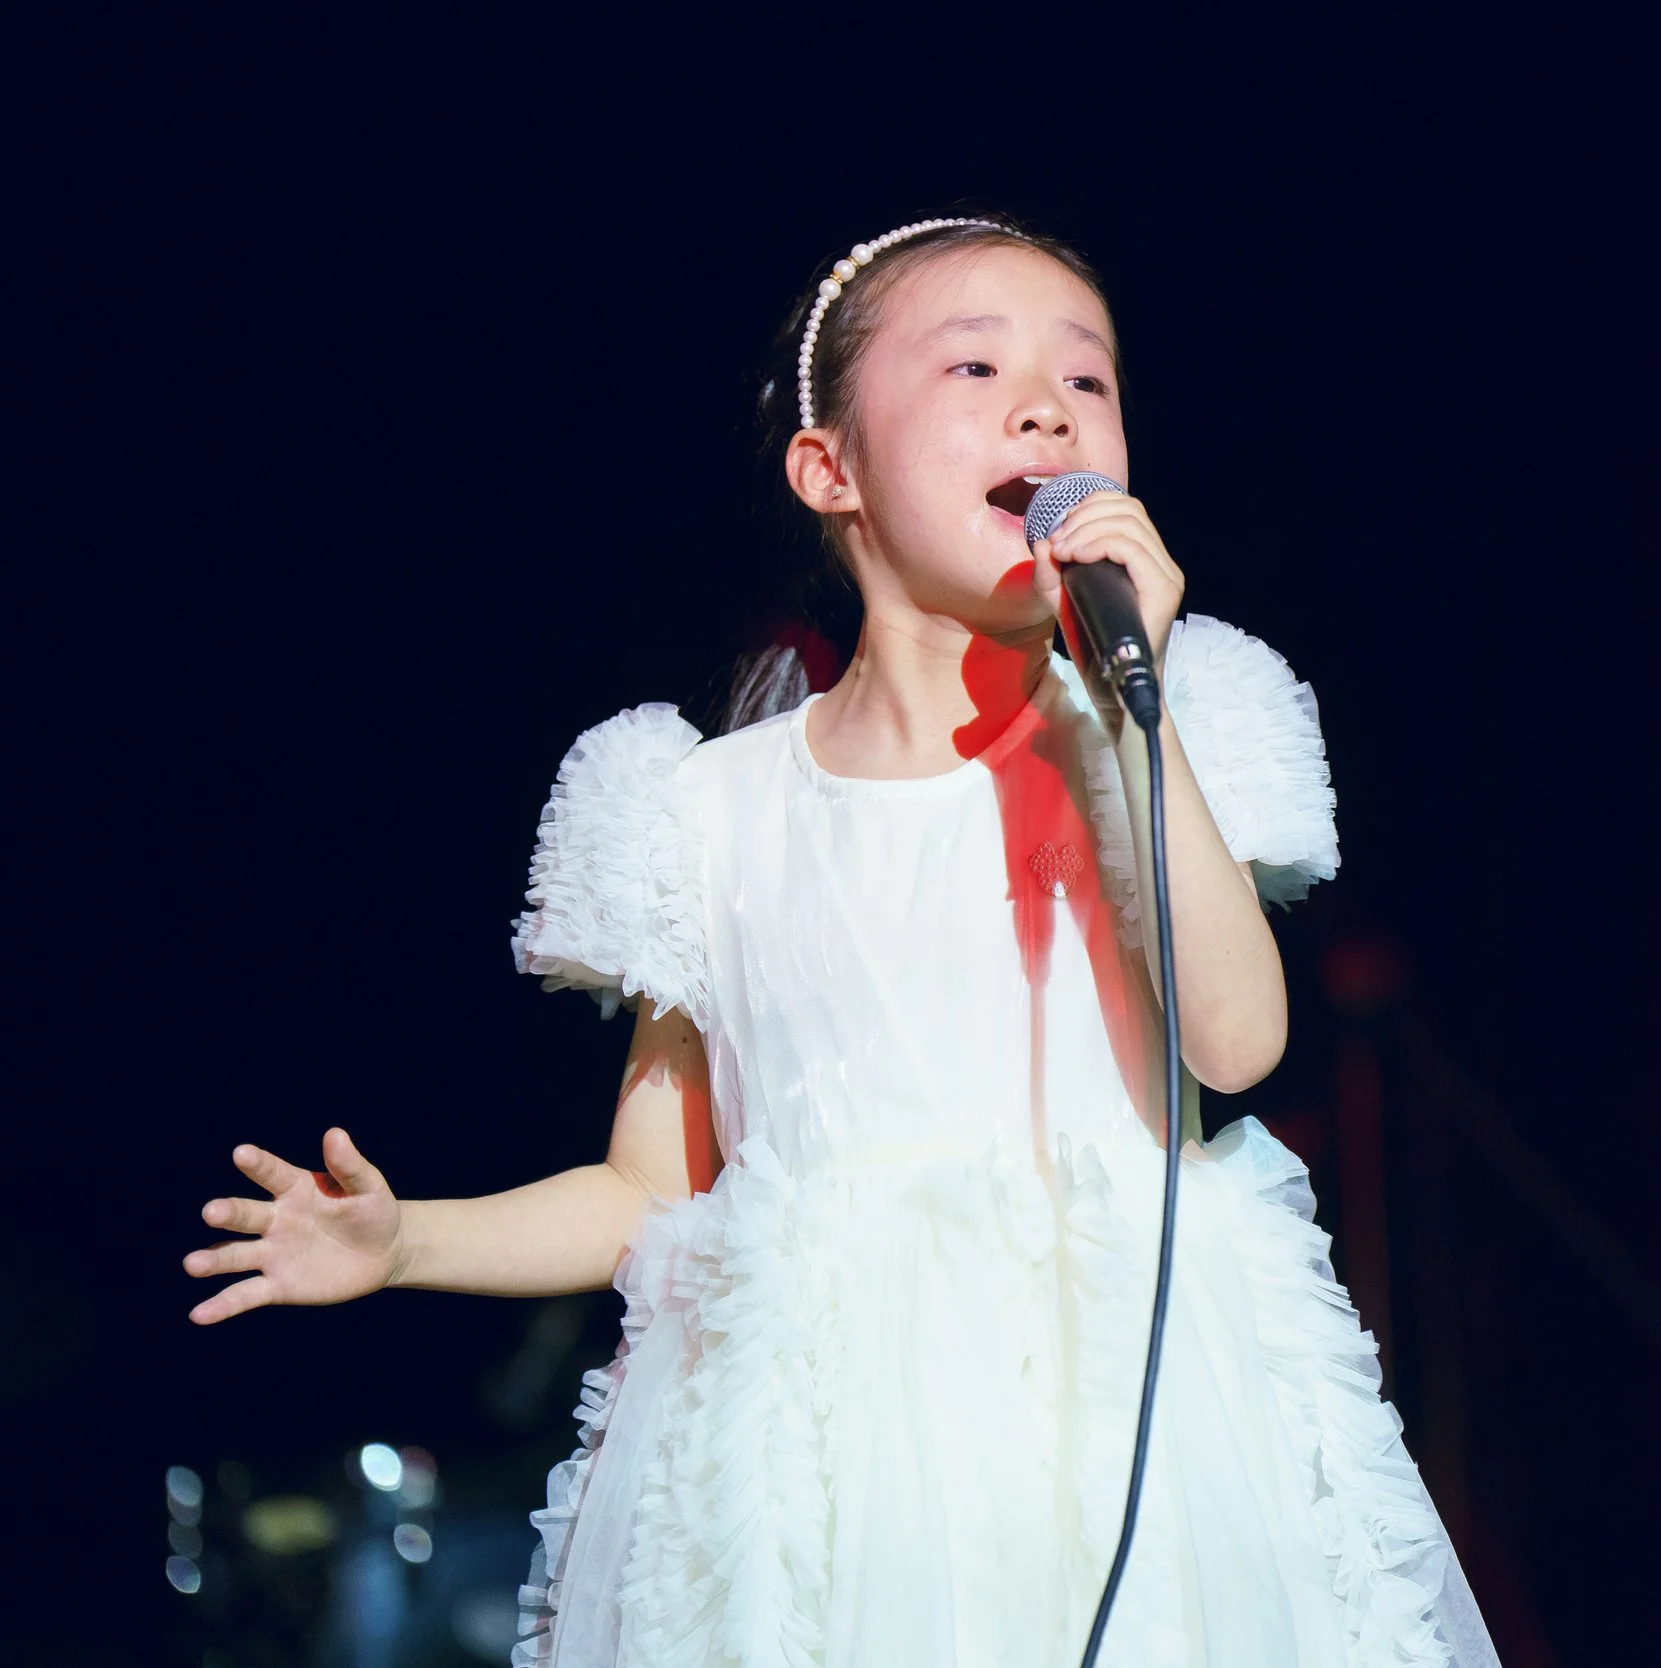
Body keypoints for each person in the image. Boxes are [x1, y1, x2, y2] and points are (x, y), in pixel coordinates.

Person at [183, 216, 1497, 1667]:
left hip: (1144, 1409)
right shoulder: (706, 812)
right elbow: (647, 1191)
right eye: (977, 365)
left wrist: (1137, 714)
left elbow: (1238, 1039)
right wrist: (402, 1240)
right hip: (825, 1460)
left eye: (1089, 379)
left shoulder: (1161, 726)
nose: (1048, 407)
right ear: (832, 469)